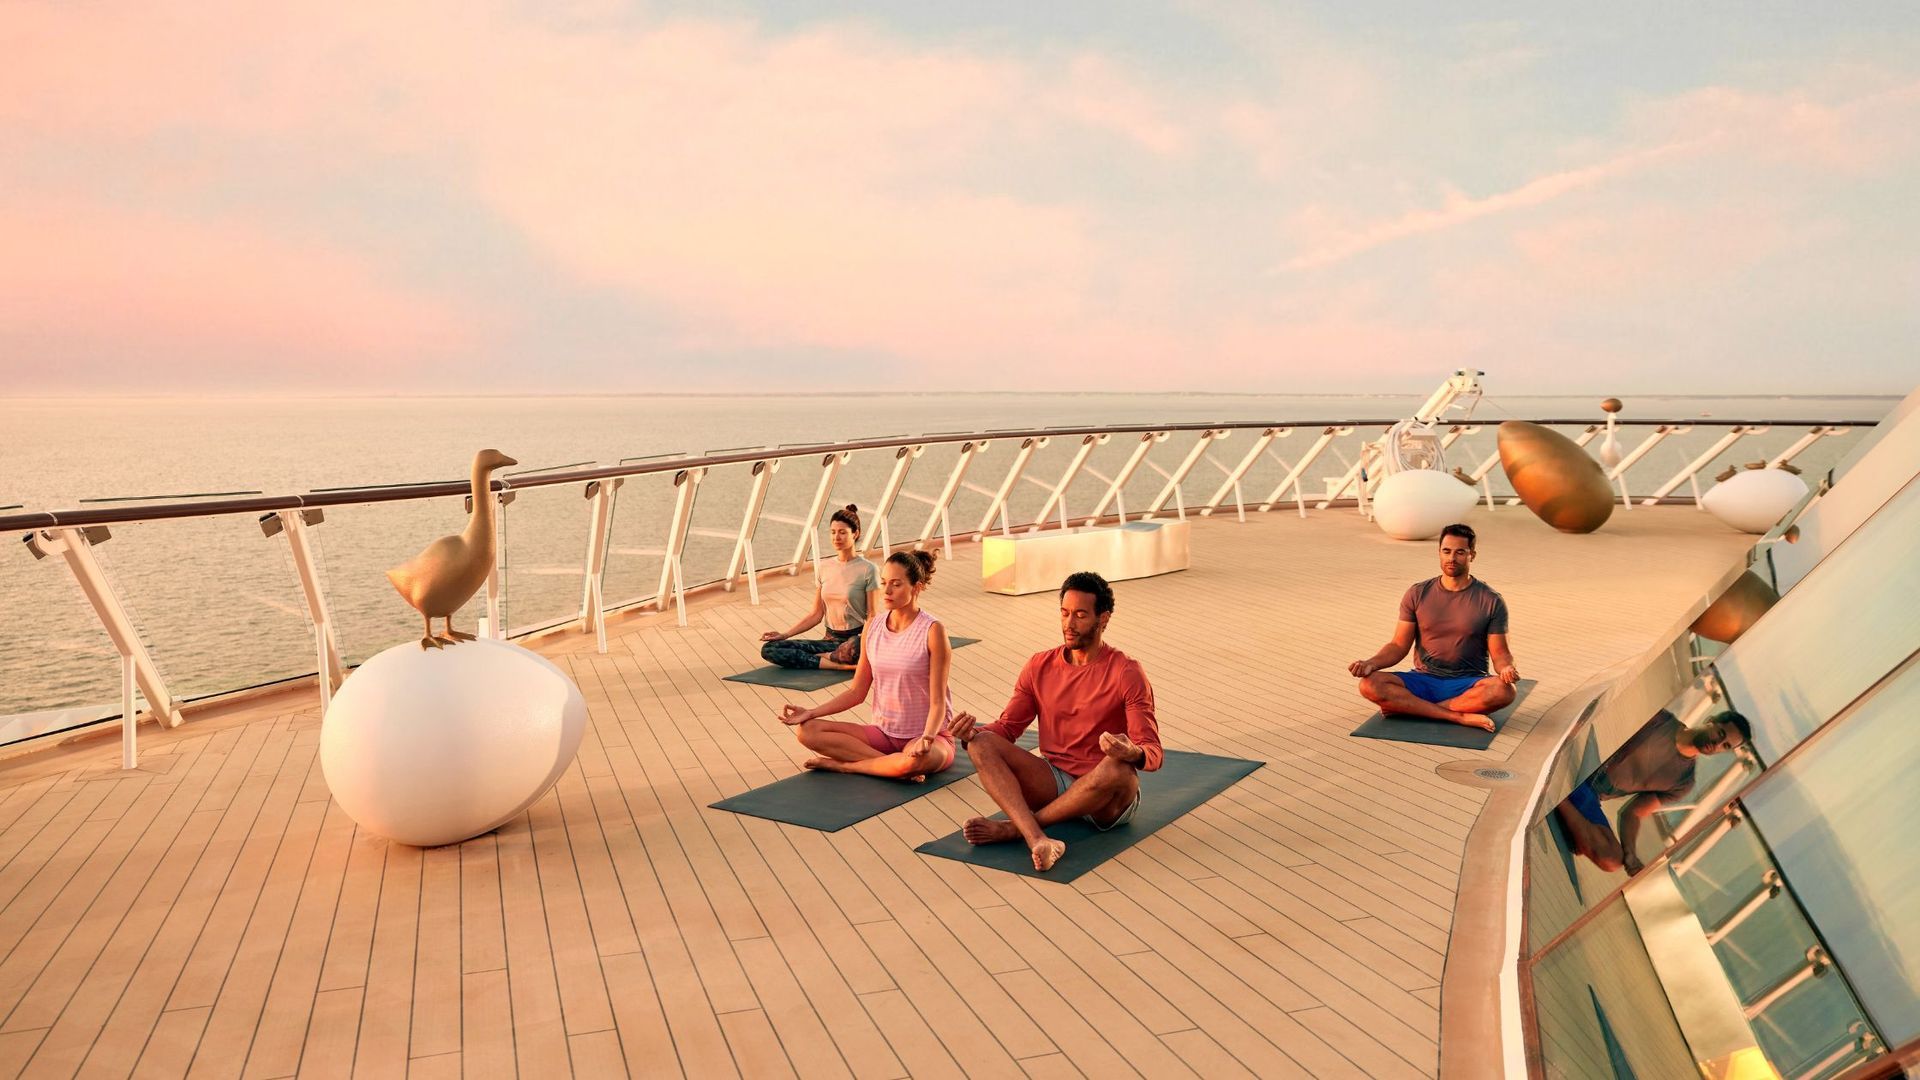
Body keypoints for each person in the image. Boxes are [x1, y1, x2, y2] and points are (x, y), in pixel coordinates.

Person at [944, 571, 1162, 873]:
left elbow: (1152, 752)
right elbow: (1008, 728)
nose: (1069, 625)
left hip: (1105, 798)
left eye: (1081, 615)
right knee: (981, 745)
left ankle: (1013, 828)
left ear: (1104, 619)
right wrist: (971, 734)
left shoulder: (1127, 672)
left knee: (1118, 767)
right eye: (1064, 613)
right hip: (1054, 779)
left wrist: (1131, 752)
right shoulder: (1039, 665)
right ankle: (1037, 839)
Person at [777, 551, 957, 780]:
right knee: (807, 731)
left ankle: (847, 766)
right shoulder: (873, 627)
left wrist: (928, 738)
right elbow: (856, 692)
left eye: (896, 584)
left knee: (916, 760)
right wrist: (811, 712)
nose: (887, 591)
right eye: (883, 583)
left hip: (929, 738)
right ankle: (891, 766)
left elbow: (938, 702)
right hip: (884, 734)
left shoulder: (933, 631)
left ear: (917, 587)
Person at [1349, 523, 1518, 731]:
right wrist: (1371, 663)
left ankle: (1410, 708)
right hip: (1423, 679)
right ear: (1439, 552)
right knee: (1369, 684)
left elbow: (1500, 653)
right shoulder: (1418, 593)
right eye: (1446, 551)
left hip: (1467, 684)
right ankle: (1458, 717)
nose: (1451, 558)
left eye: (1460, 552)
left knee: (1504, 691)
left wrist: (1507, 668)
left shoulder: (1491, 600)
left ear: (1472, 555)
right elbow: (1398, 645)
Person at [1556, 709, 1750, 874]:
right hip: (1580, 758)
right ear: (1711, 722)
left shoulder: (1684, 782)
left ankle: (1558, 800)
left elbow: (1632, 813)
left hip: (1589, 794)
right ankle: (1571, 819)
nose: (1716, 744)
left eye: (1725, 746)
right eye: (1720, 734)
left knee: (1612, 860)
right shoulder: (1660, 718)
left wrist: (1630, 853)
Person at [760, 505, 880, 670]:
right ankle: (836, 664)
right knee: (770, 649)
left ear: (855, 534)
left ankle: (833, 660)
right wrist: (784, 635)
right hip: (830, 640)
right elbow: (816, 614)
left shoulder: (868, 569)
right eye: (833, 532)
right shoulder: (824, 567)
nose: (836, 537)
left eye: (842, 532)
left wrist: (862, 642)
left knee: (853, 651)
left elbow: (872, 615)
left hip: (855, 641)